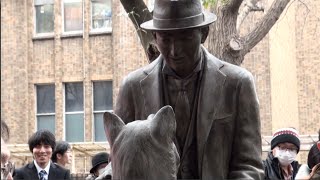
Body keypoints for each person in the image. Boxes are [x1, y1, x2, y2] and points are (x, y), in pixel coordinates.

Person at [114, 0, 264, 179]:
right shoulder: (132, 88)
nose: (175, 50)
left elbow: (249, 166)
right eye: (166, 38)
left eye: (185, 37)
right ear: (155, 36)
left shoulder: (238, 84)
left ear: (204, 33)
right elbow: (118, 160)